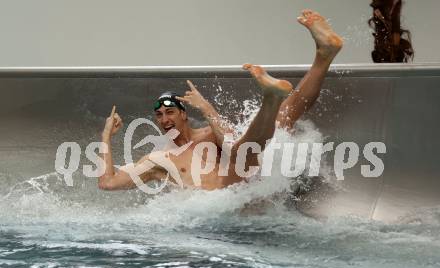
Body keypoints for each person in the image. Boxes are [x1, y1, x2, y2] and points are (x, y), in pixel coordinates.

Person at [98, 10, 343, 191]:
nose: (164, 119)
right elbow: (107, 183)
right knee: (277, 122)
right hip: (222, 216)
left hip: (246, 190)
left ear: (184, 114)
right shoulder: (159, 160)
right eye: (159, 115)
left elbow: (230, 144)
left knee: (261, 135)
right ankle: (312, 64)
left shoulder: (208, 133)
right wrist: (106, 137)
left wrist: (207, 108)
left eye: (170, 112)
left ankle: (319, 58)